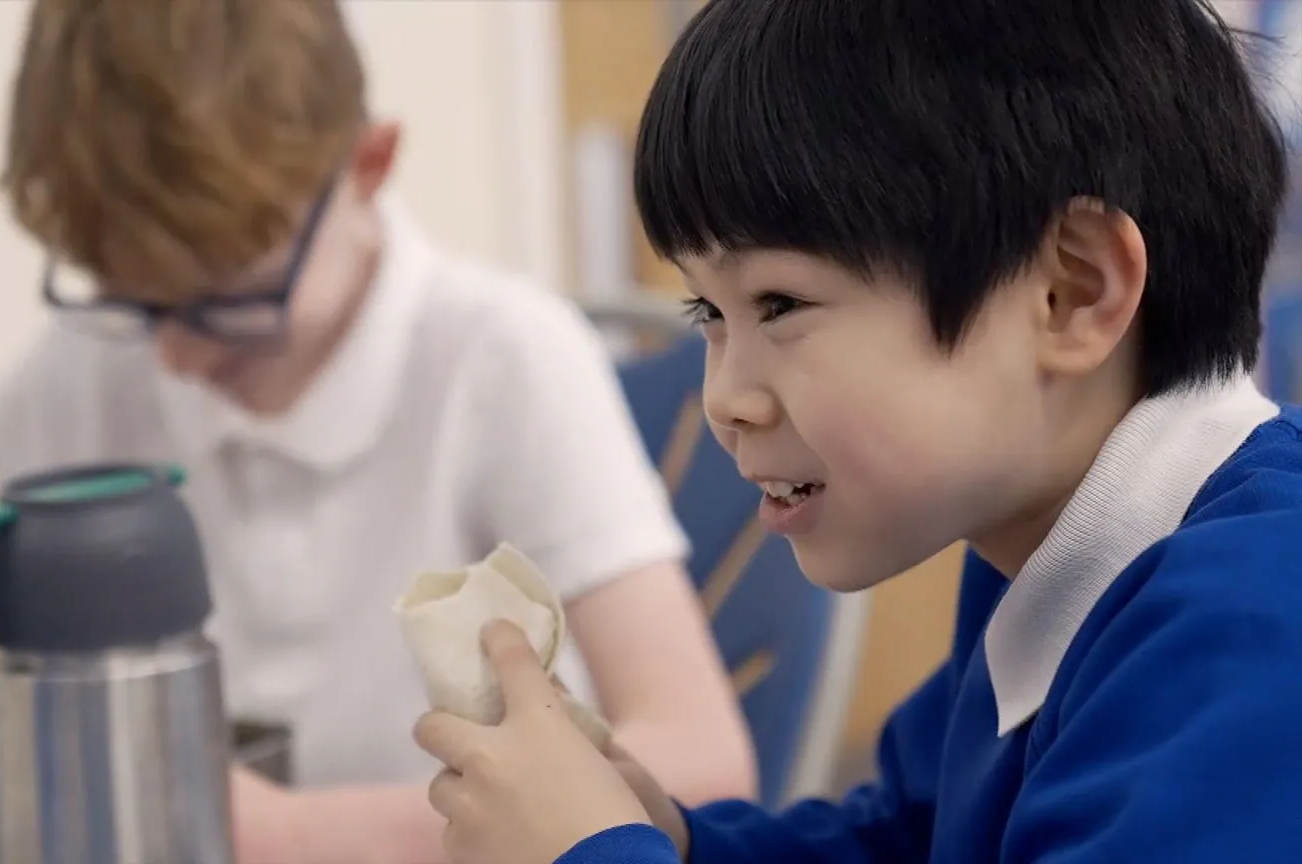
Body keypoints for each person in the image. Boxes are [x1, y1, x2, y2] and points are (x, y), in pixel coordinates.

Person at [0, 1, 756, 861]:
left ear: (369, 166)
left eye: (228, 305)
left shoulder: (499, 360)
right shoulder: (102, 359)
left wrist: (284, 839)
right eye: (137, 305)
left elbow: (705, 769)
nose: (176, 363)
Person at [410, 0, 1302, 862]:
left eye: (780, 303)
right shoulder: (1052, 556)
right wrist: (673, 841)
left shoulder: (1251, 635)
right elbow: (905, 841)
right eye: (708, 314)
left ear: (1072, 290)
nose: (727, 399)